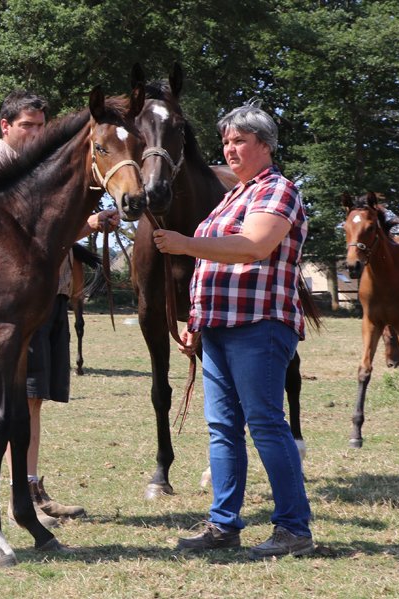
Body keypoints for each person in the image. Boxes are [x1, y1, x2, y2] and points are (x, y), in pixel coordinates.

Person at [151, 101, 314, 558]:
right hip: (219, 327)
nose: (230, 148)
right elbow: (213, 265)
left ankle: (294, 529)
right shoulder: (234, 196)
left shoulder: (277, 190)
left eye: (240, 140)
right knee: (222, 428)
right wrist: (197, 321)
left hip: (260, 324)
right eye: (226, 141)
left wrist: (186, 243)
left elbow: (253, 246)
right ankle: (224, 524)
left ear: (265, 144)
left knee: (265, 424)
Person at [0, 90, 120, 527]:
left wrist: (87, 224)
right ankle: (23, 492)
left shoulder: (49, 169)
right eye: (26, 126)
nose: (35, 133)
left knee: (34, 399)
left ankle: (30, 484)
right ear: (5, 127)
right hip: (11, 298)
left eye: (40, 126)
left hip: (50, 291)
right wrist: (86, 225)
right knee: (21, 395)